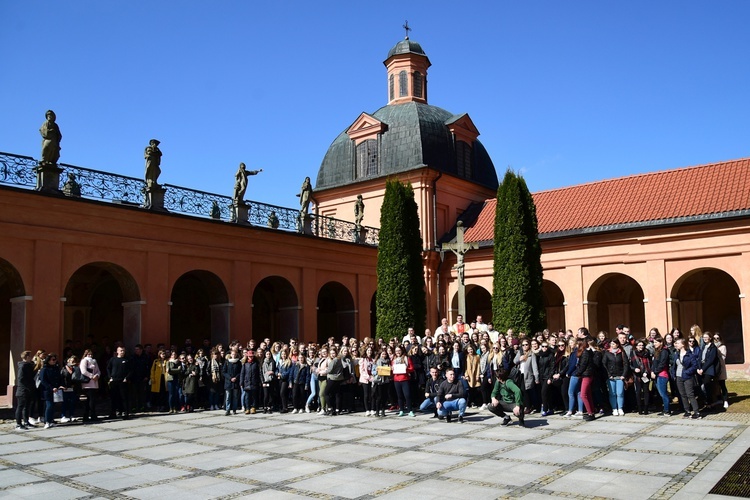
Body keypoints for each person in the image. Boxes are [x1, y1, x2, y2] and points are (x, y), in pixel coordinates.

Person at [672, 338, 701, 419]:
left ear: (683, 344)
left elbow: (694, 366)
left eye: (678, 343)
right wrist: (673, 374)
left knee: (690, 394)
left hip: (687, 377)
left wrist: (687, 372)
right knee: (682, 395)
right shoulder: (676, 355)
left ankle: (696, 412)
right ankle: (687, 411)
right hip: (678, 377)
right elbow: (674, 366)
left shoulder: (690, 355)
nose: (676, 345)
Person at [604, 339, 629, 416]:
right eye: (611, 344)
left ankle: (620, 408)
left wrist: (624, 375)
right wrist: (608, 375)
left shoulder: (621, 352)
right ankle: (614, 408)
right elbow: (604, 364)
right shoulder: (607, 353)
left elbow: (626, 364)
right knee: (612, 393)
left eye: (614, 344)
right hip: (611, 376)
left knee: (620, 393)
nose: (612, 345)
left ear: (617, 344)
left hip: (620, 376)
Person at [39, 353, 64, 428]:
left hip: (56, 390)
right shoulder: (44, 369)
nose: (54, 361)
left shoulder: (56, 368)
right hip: (47, 390)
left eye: (55, 360)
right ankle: (47, 421)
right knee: (49, 405)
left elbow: (59, 378)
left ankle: (51, 420)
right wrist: (51, 387)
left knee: (53, 405)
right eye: (53, 360)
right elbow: (43, 380)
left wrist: (60, 385)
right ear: (48, 360)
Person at [107, 346, 132, 419]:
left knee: (124, 397)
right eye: (121, 351)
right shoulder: (112, 360)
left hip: (123, 381)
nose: (122, 352)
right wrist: (110, 377)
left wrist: (126, 378)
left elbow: (131, 370)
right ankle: (113, 413)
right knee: (114, 397)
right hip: (114, 381)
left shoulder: (127, 360)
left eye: (123, 351)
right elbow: (108, 368)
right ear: (117, 351)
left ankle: (125, 413)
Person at [630, 339, 652, 415]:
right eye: (639, 345)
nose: (641, 347)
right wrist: (634, 369)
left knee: (646, 391)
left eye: (642, 345)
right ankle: (639, 408)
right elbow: (630, 364)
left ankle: (646, 408)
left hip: (645, 375)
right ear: (636, 346)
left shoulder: (647, 353)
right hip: (637, 376)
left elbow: (650, 364)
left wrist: (646, 372)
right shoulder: (633, 353)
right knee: (638, 391)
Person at [392, 345, 415, 417]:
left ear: (402, 350)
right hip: (396, 379)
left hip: (405, 379)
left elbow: (412, 368)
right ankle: (401, 410)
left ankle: (410, 410)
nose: (398, 352)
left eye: (399, 350)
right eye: (396, 351)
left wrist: (406, 369)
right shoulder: (394, 359)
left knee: (407, 395)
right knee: (399, 396)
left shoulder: (406, 358)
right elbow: (392, 368)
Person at [651, 336, 671, 416]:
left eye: (656, 342)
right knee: (661, 393)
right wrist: (652, 371)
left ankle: (667, 410)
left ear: (661, 343)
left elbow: (662, 363)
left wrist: (655, 372)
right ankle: (665, 409)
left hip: (662, 375)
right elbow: (654, 363)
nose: (654, 344)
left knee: (663, 393)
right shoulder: (657, 351)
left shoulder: (664, 351)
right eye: (654, 342)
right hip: (657, 374)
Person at [15, 351, 35, 430]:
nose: (31, 358)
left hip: (28, 389)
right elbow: (21, 378)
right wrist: (26, 386)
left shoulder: (28, 365)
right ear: (27, 357)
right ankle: (18, 423)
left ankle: (26, 421)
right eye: (30, 356)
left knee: (27, 406)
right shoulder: (22, 366)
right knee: (20, 407)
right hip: (22, 390)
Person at [223, 350, 242, 415]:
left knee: (235, 397)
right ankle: (228, 409)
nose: (234, 355)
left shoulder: (238, 362)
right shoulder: (227, 362)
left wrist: (236, 378)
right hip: (228, 382)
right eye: (232, 354)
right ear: (231, 354)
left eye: (235, 354)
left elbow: (240, 372)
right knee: (228, 397)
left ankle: (234, 410)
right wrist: (230, 378)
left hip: (236, 382)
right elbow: (224, 372)